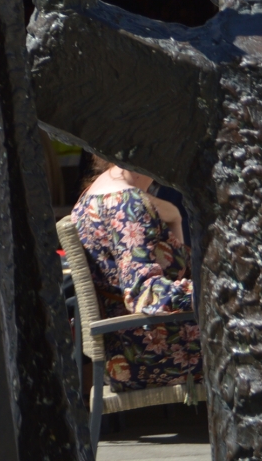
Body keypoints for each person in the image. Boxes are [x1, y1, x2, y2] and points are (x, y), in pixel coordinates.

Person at [71, 157, 201, 391]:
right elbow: (145, 293)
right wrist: (213, 294)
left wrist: (174, 219)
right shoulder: (128, 203)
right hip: (150, 351)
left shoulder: (93, 195)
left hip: (124, 350)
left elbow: (177, 271)